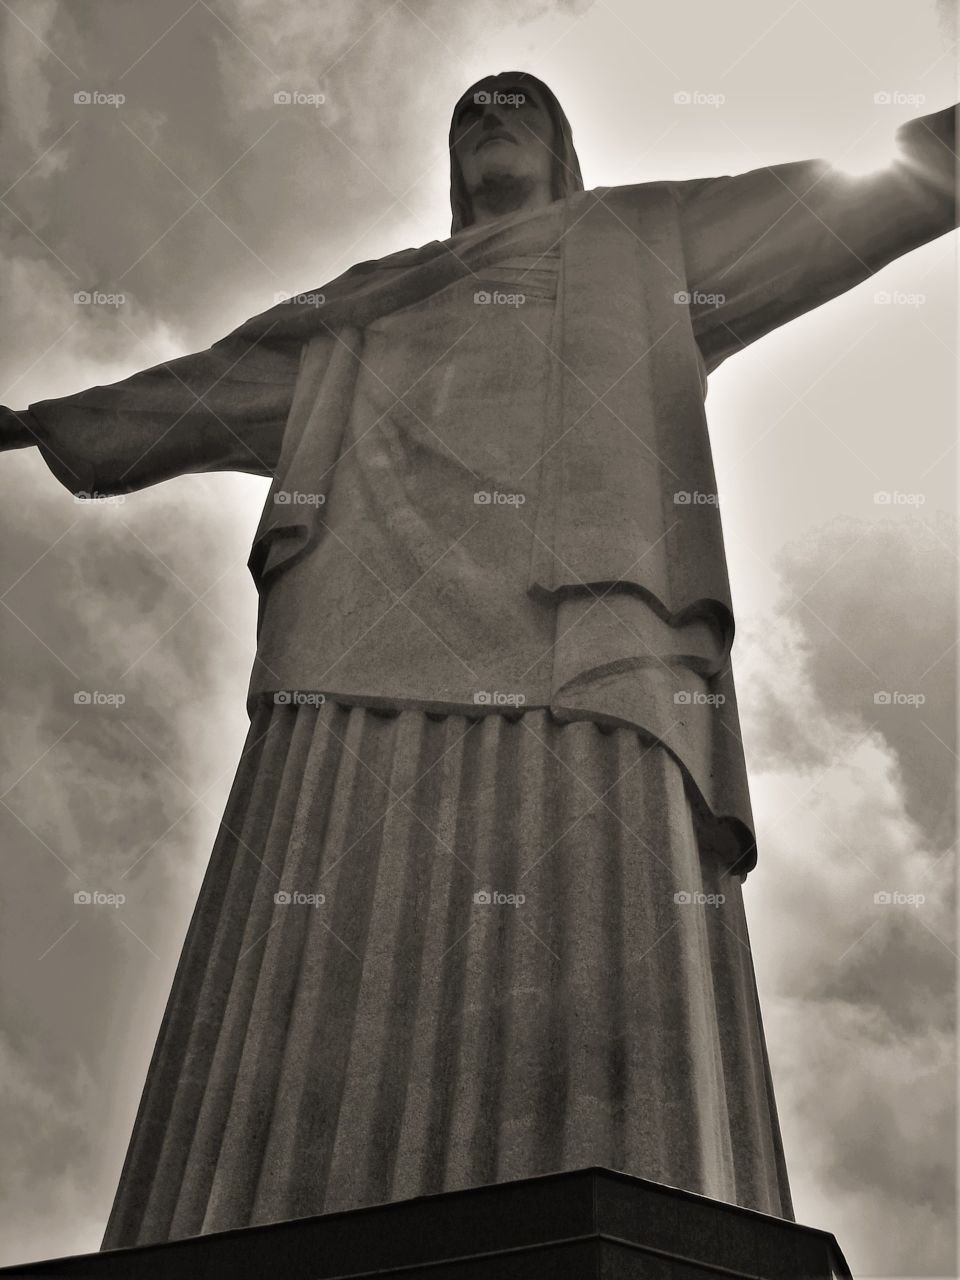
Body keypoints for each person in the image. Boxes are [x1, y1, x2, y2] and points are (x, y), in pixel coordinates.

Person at [1, 72, 955, 1249]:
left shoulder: (641, 238)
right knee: (317, 883)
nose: (492, 120)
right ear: (450, 160)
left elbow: (829, 211)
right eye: (471, 112)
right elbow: (200, 389)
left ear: (559, 141)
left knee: (593, 875)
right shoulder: (369, 306)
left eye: (518, 106)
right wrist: (47, 417)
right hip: (354, 631)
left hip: (589, 621)